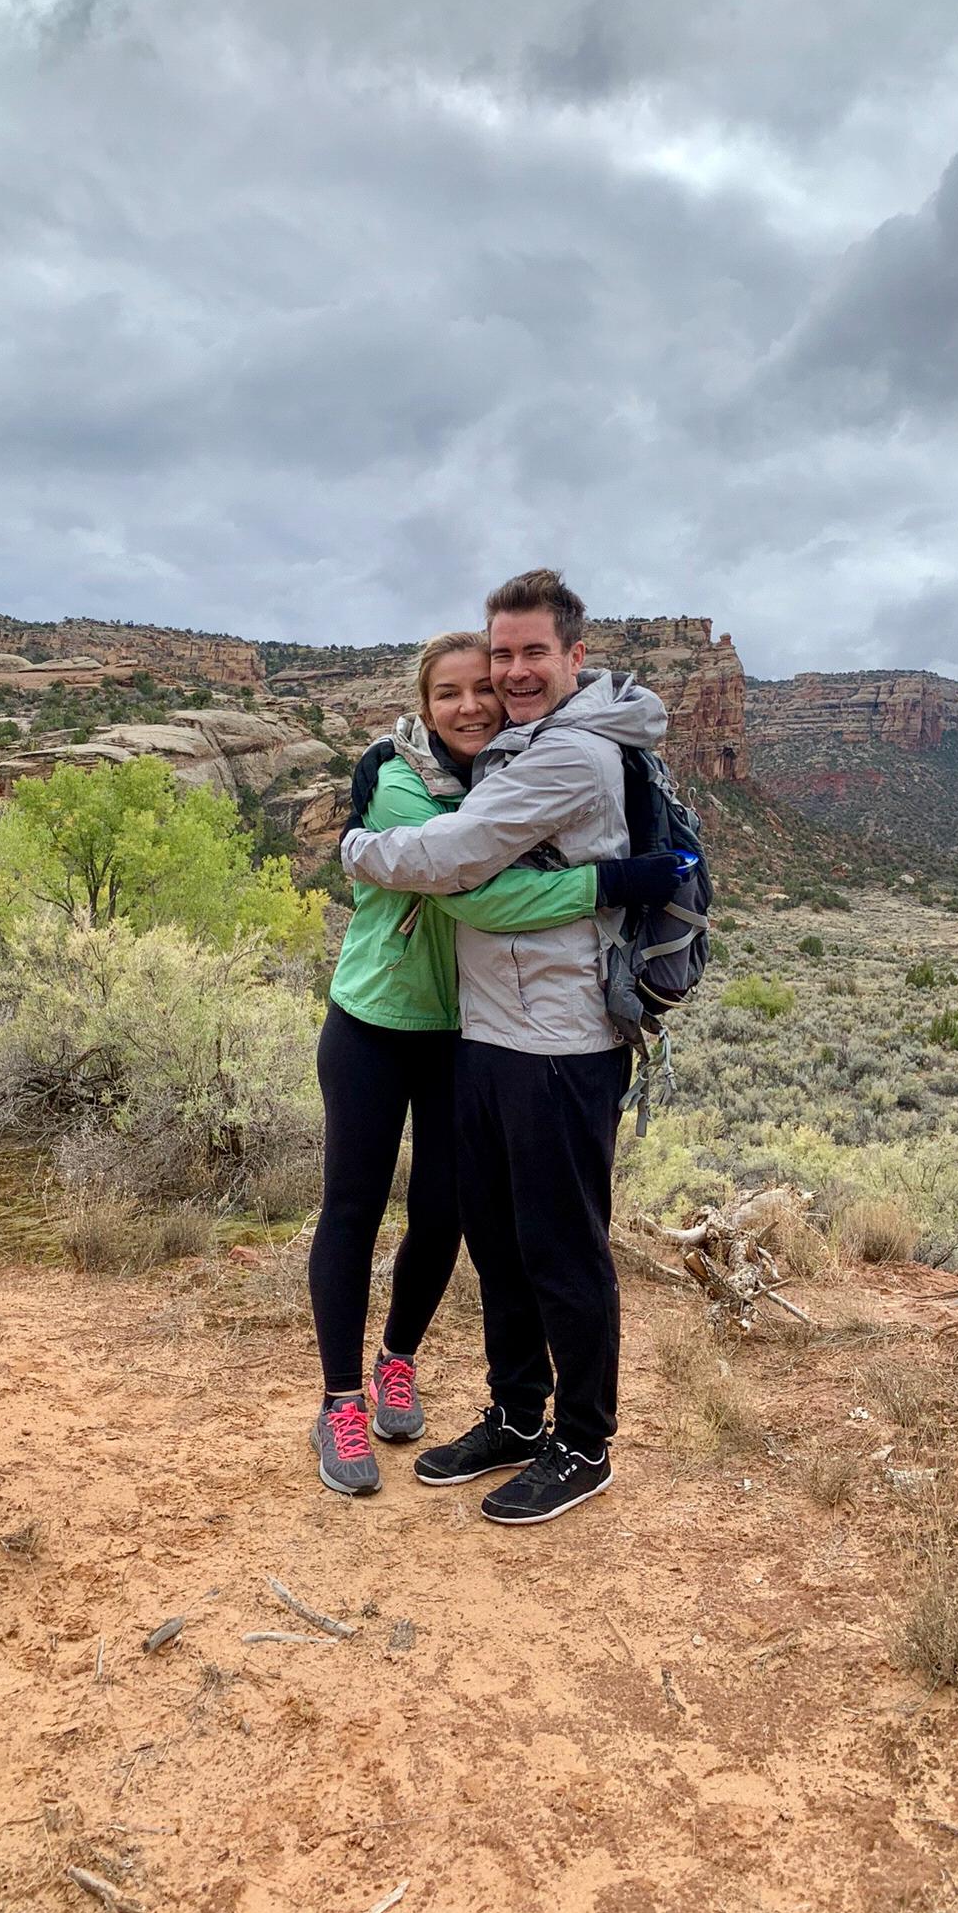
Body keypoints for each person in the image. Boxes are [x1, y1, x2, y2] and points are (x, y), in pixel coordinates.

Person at [341, 570, 683, 1524]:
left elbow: (452, 861)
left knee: (562, 1247)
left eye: (536, 653)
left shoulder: (570, 758)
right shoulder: (524, 742)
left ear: (577, 656)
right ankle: (520, 1415)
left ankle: (583, 1443)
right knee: (498, 1241)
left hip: (561, 1042)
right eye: (504, 655)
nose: (516, 671)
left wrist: (359, 848)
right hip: (491, 1034)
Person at [310, 631, 612, 1498]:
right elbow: (475, 888)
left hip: (465, 1032)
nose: (473, 704)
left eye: (485, 687)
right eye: (450, 694)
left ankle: (396, 1360)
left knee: (443, 1214)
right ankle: (338, 1402)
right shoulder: (400, 778)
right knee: (355, 1209)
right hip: (372, 1022)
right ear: (424, 704)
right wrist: (604, 886)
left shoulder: (508, 776)